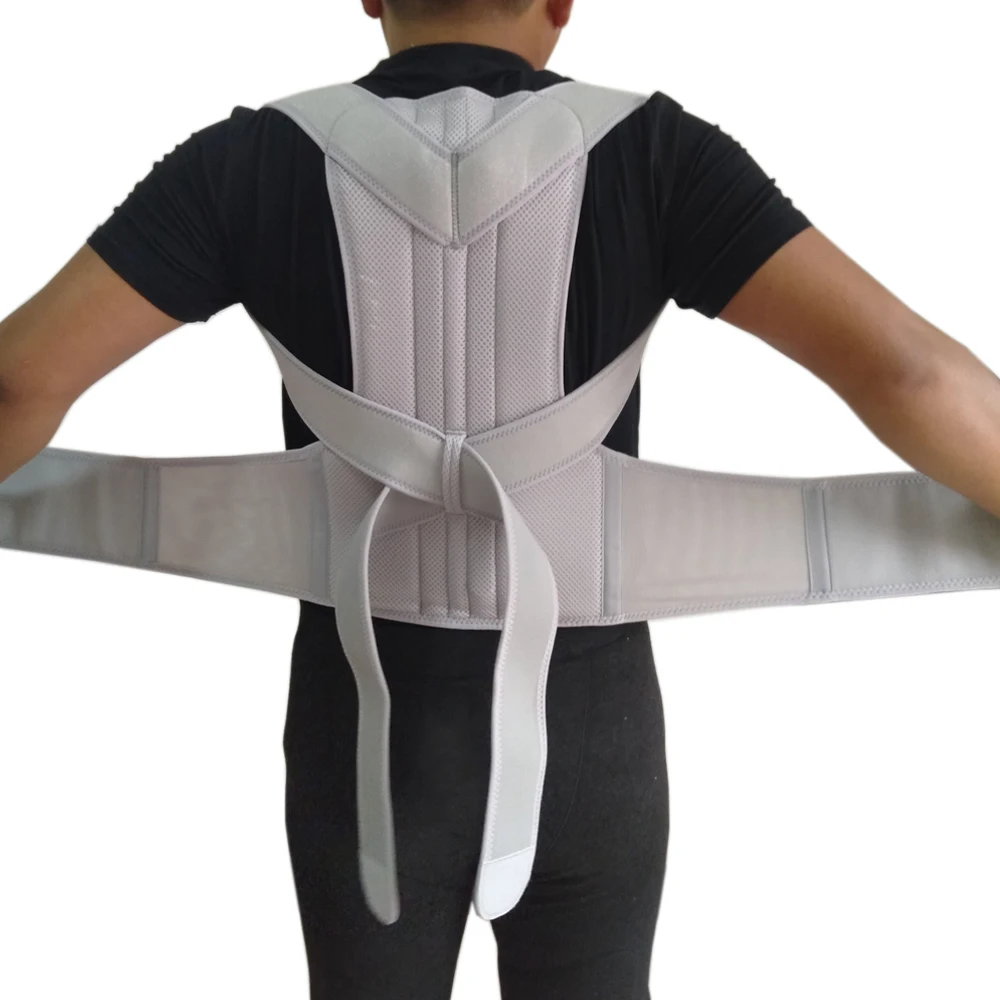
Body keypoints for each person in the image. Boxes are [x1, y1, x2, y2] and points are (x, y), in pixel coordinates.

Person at [2, 1, 999, 998]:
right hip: (592, 731)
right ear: (561, 1)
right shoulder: (661, 154)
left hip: (364, 737)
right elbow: (910, 375)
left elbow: (16, 381)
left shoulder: (246, 163)